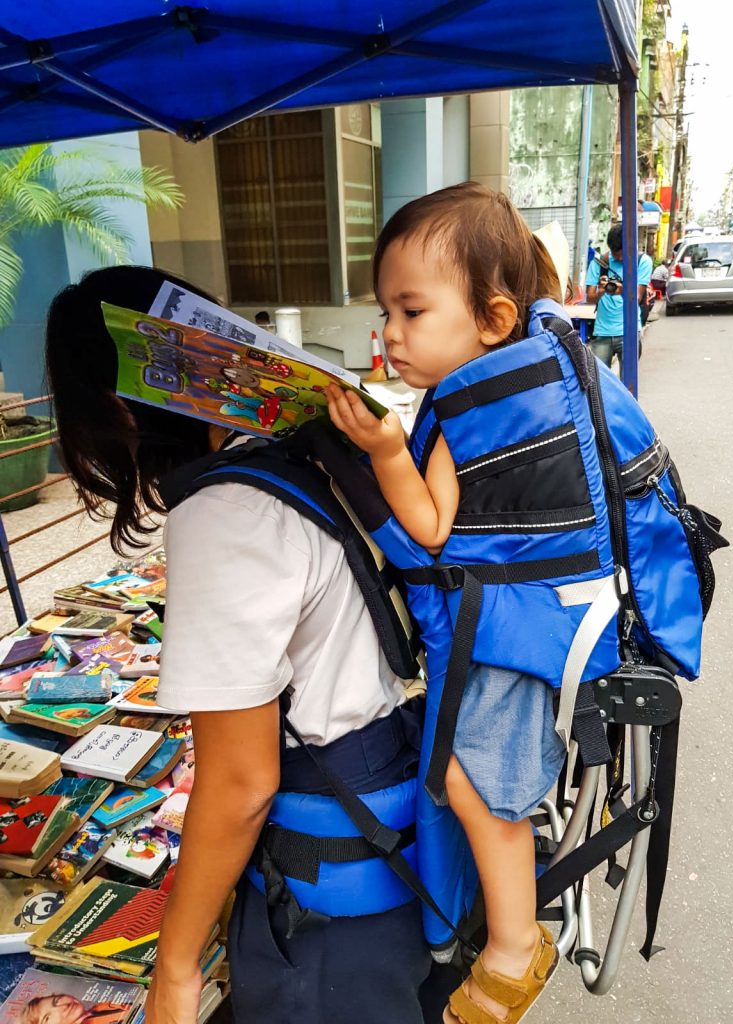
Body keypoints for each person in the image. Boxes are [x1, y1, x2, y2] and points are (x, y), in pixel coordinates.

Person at [44, 266, 453, 1024]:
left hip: (326, 903)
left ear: (111, 403)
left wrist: (172, 969)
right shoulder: (304, 453)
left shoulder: (225, 512)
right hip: (388, 829)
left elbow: (241, 785)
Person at [326, 182, 563, 1024]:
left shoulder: (475, 410)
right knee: (470, 784)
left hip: (503, 641)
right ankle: (495, 928)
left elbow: (428, 528)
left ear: (492, 320)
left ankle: (515, 946)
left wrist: (387, 450)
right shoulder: (505, 386)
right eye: (385, 310)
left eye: (411, 311)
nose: (389, 333)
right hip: (512, 628)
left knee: (477, 791)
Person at [585, 223, 653, 374]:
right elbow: (589, 298)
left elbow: (637, 297)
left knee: (628, 383)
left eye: (622, 254)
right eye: (615, 254)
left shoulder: (642, 262)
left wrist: (623, 290)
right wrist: (600, 292)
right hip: (602, 331)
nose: (619, 258)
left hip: (628, 330)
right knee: (598, 382)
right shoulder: (599, 262)